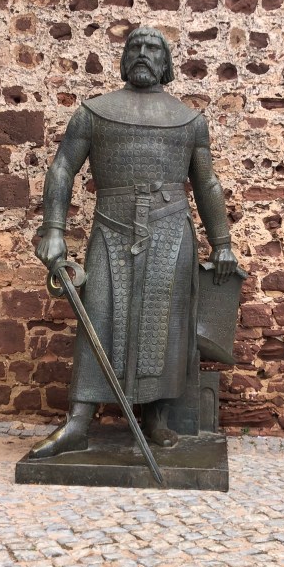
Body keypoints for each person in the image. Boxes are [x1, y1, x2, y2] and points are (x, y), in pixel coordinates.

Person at [29, 27, 237, 458]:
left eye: (153, 48)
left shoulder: (189, 121)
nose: (143, 53)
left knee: (166, 324)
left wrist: (222, 242)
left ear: (166, 63)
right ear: (124, 60)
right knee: (99, 316)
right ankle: (78, 423)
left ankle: (156, 417)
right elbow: (63, 167)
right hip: (111, 227)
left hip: (170, 229)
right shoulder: (93, 113)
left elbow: (207, 183)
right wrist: (53, 230)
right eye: (135, 47)